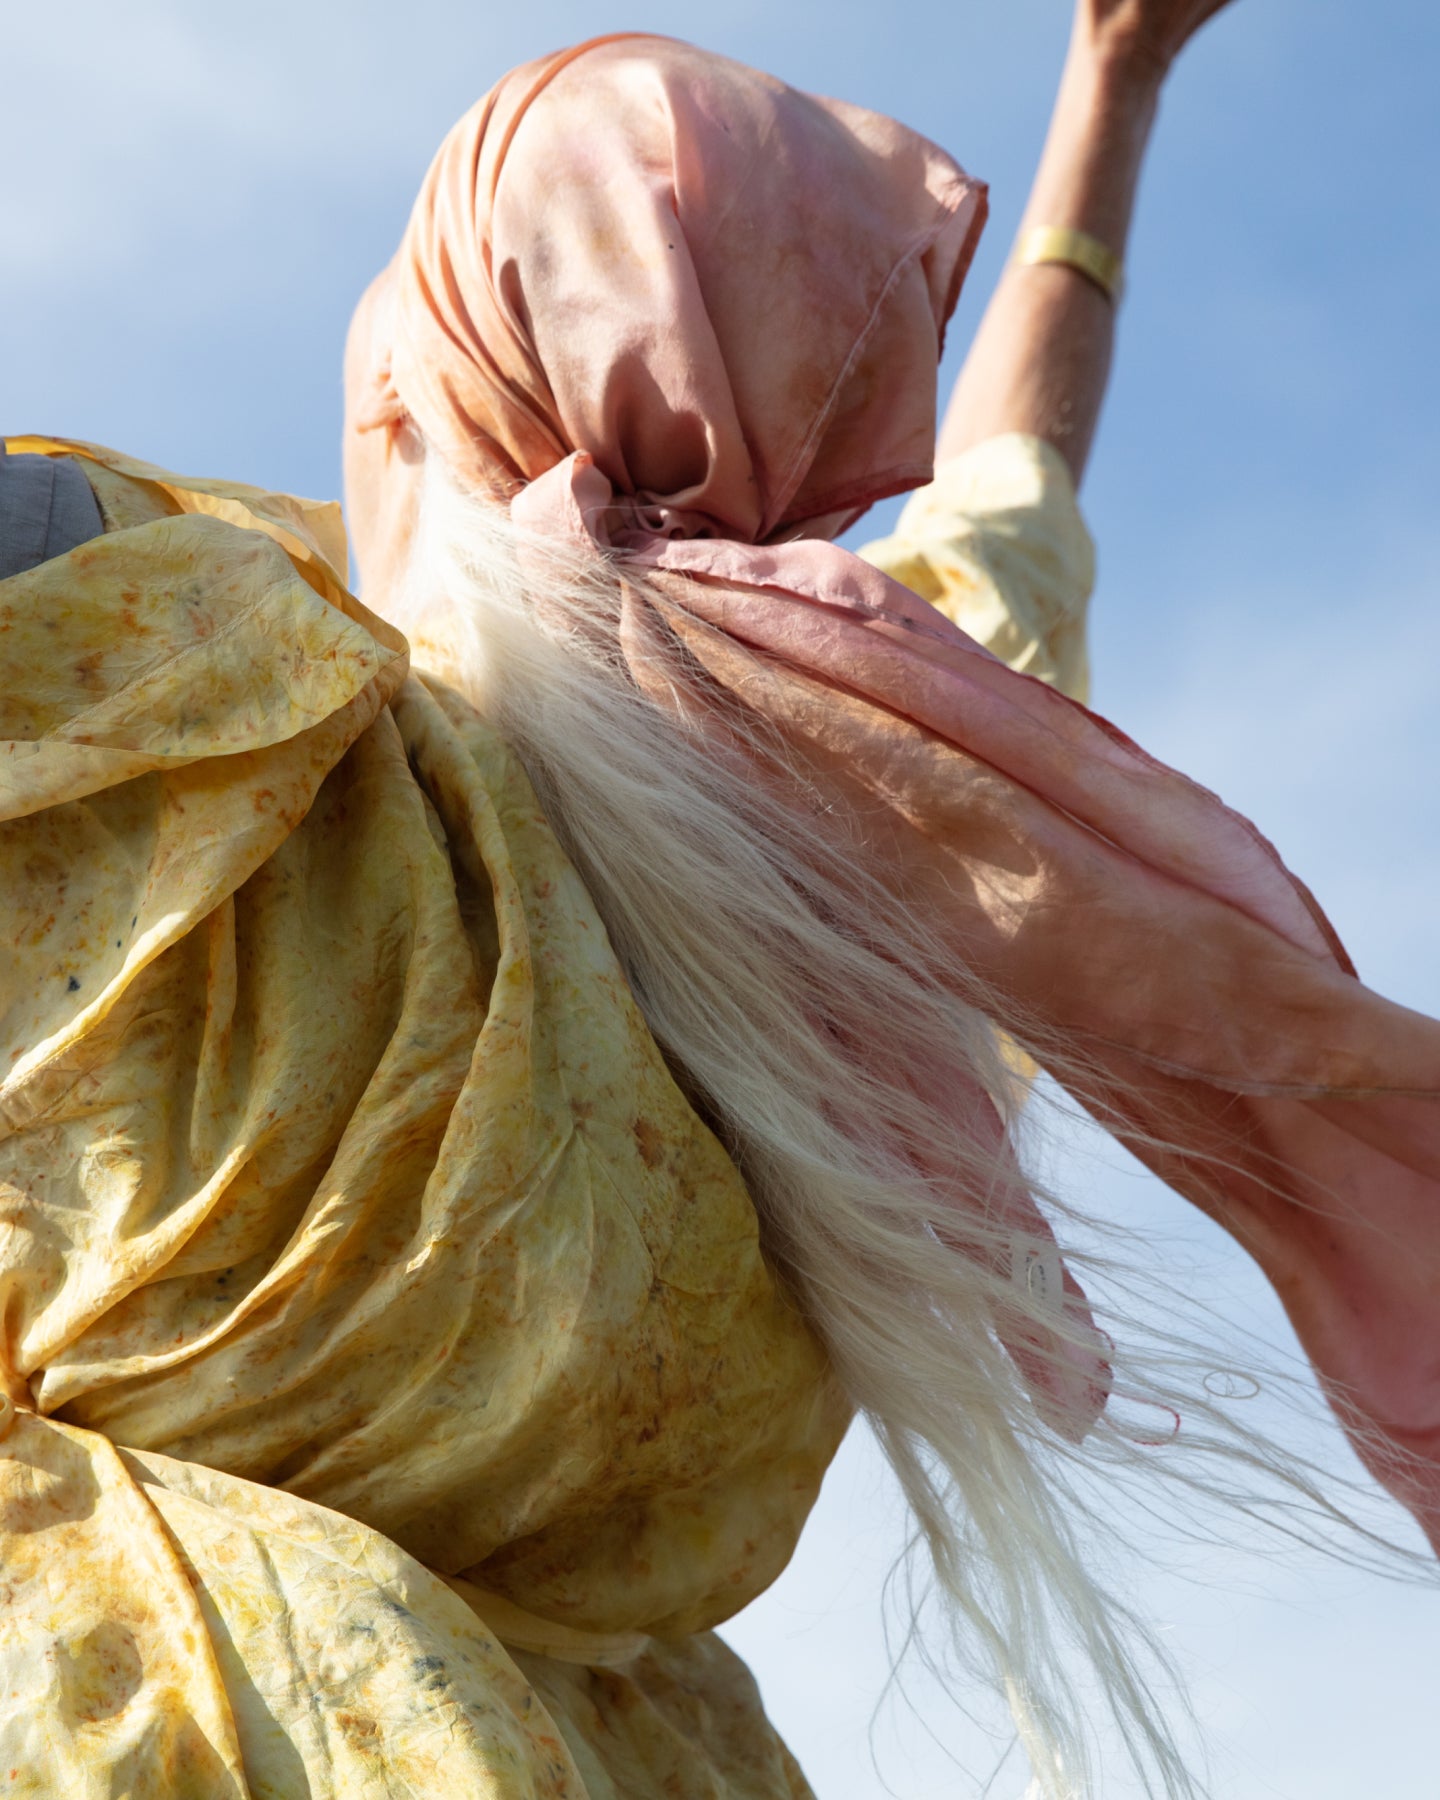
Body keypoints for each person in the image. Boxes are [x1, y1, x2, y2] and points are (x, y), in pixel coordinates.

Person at [1, 8, 1436, 1800]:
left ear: (426, 372)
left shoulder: (166, 656)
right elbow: (1016, 498)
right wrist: (1117, 83)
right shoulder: (898, 819)